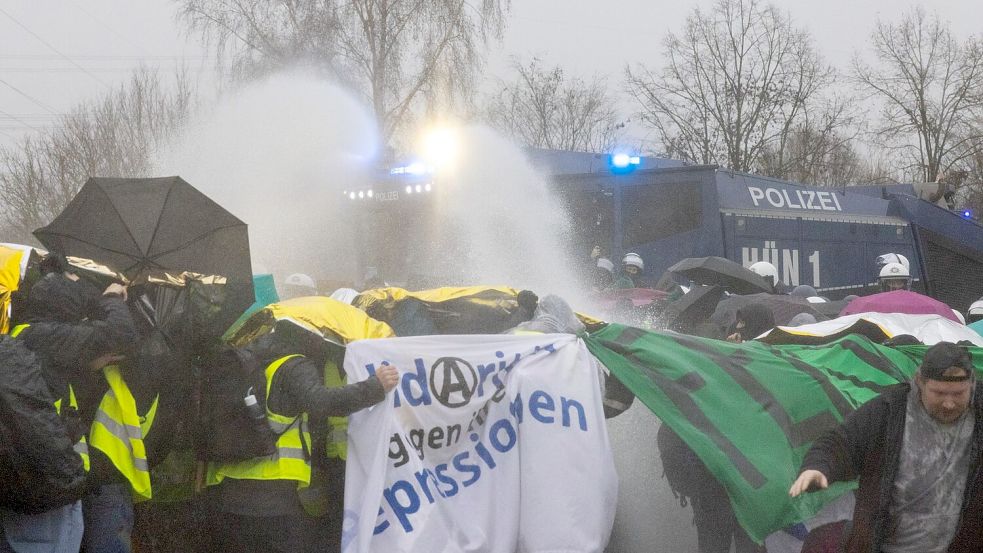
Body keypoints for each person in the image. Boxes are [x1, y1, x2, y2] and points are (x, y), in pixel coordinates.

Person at [205, 332, 400, 553]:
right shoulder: (293, 365)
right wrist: (375, 386)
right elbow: (321, 402)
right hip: (272, 496)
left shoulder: (245, 362)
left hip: (225, 491)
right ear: (308, 335)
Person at [789, 342, 983, 553]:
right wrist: (818, 467)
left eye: (958, 394)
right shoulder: (888, 412)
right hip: (887, 545)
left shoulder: (980, 411)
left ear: (972, 384)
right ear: (919, 382)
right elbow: (842, 441)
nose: (949, 403)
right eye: (939, 393)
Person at [2, 254, 136, 553]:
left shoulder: (22, 334)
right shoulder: (49, 336)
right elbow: (122, 334)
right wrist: (113, 298)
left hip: (20, 480)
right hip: (49, 488)